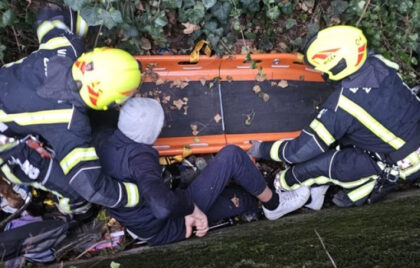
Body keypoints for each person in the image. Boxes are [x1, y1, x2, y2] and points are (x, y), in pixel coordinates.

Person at [93, 97, 310, 245]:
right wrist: (190, 210)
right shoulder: (140, 158)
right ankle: (275, 205)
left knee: (243, 201)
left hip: (140, 220)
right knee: (232, 156)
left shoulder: (104, 139)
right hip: (165, 225)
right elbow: (161, 206)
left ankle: (255, 201)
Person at [248, 25, 420, 208]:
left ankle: (282, 187)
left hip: (403, 162)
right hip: (406, 135)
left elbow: (298, 151)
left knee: (312, 168)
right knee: (346, 140)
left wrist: (262, 149)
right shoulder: (380, 63)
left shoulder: (342, 105)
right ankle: (366, 182)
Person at [0, 3, 142, 214]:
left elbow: (48, 15)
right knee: (73, 193)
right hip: (7, 143)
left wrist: (79, 21)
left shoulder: (66, 47)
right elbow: (90, 186)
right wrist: (136, 195)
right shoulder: (70, 125)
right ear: (107, 103)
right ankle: (70, 214)